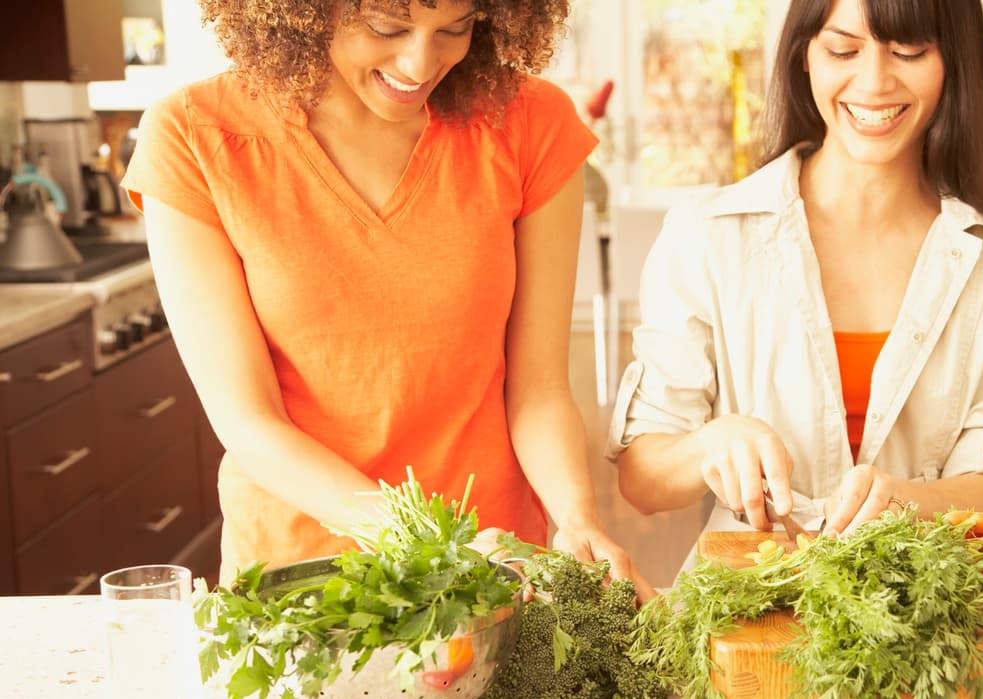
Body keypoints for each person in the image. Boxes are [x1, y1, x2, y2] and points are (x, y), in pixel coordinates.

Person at [124, 0, 655, 600]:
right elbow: (250, 422)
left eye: (455, 28)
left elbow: (537, 391)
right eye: (386, 27)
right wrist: (435, 542)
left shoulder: (529, 122)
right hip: (302, 583)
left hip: (499, 571)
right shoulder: (194, 135)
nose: (420, 63)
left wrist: (578, 519)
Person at [607, 0, 983, 547]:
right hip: (746, 592)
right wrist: (710, 445)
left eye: (909, 51)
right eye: (843, 50)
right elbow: (642, 480)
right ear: (806, 56)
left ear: (954, 61)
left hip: (927, 594)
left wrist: (906, 503)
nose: (874, 82)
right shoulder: (706, 235)